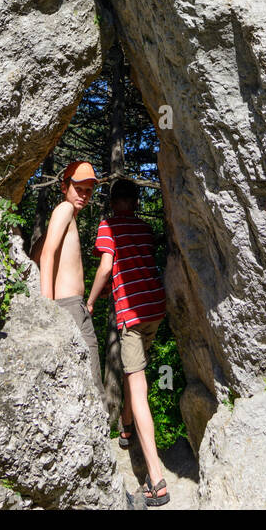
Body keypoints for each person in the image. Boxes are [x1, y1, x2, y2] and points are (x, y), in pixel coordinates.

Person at [88, 177, 169, 506]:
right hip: (155, 310)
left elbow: (107, 267)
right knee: (131, 369)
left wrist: (91, 300)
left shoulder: (108, 225)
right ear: (135, 202)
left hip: (132, 317)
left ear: (111, 202)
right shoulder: (143, 230)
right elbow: (135, 265)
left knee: (138, 387)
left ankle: (157, 478)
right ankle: (126, 430)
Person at [39, 159, 106, 409]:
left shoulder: (66, 215)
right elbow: (47, 254)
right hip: (67, 306)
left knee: (83, 374)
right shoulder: (64, 210)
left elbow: (40, 252)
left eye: (89, 190)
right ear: (64, 186)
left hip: (73, 306)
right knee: (91, 376)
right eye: (79, 188)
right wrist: (46, 307)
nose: (84, 195)